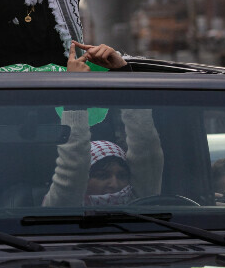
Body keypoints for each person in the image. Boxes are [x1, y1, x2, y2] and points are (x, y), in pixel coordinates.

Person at [41, 45, 162, 206]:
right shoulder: (62, 207)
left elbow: (146, 147)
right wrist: (74, 86)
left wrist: (123, 75)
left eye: (122, 176)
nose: (114, 184)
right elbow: (74, 163)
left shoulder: (141, 204)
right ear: (85, 178)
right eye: (102, 175)